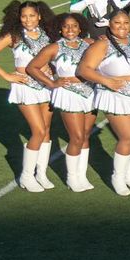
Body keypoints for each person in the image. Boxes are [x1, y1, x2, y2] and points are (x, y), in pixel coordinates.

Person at [78, 8, 130, 197]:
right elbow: (84, 70)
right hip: (117, 96)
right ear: (110, 24)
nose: (122, 27)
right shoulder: (102, 45)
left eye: (125, 23)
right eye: (117, 23)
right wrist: (107, 81)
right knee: (127, 137)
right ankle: (117, 177)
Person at [0, 0, 57, 192]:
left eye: (32, 16)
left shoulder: (48, 35)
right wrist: (6, 75)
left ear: (39, 16)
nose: (28, 20)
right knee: (38, 131)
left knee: (46, 130)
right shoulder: (13, 36)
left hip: (46, 85)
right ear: (18, 18)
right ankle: (26, 176)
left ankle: (42, 173)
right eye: (24, 16)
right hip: (25, 86)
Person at [26, 13, 96, 192]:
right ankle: (72, 178)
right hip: (68, 94)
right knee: (77, 137)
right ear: (60, 29)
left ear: (81, 28)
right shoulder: (54, 48)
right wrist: (51, 83)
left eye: (74, 26)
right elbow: (32, 67)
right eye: (66, 27)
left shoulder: (89, 44)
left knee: (86, 136)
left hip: (90, 92)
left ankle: (82, 175)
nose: (70, 30)